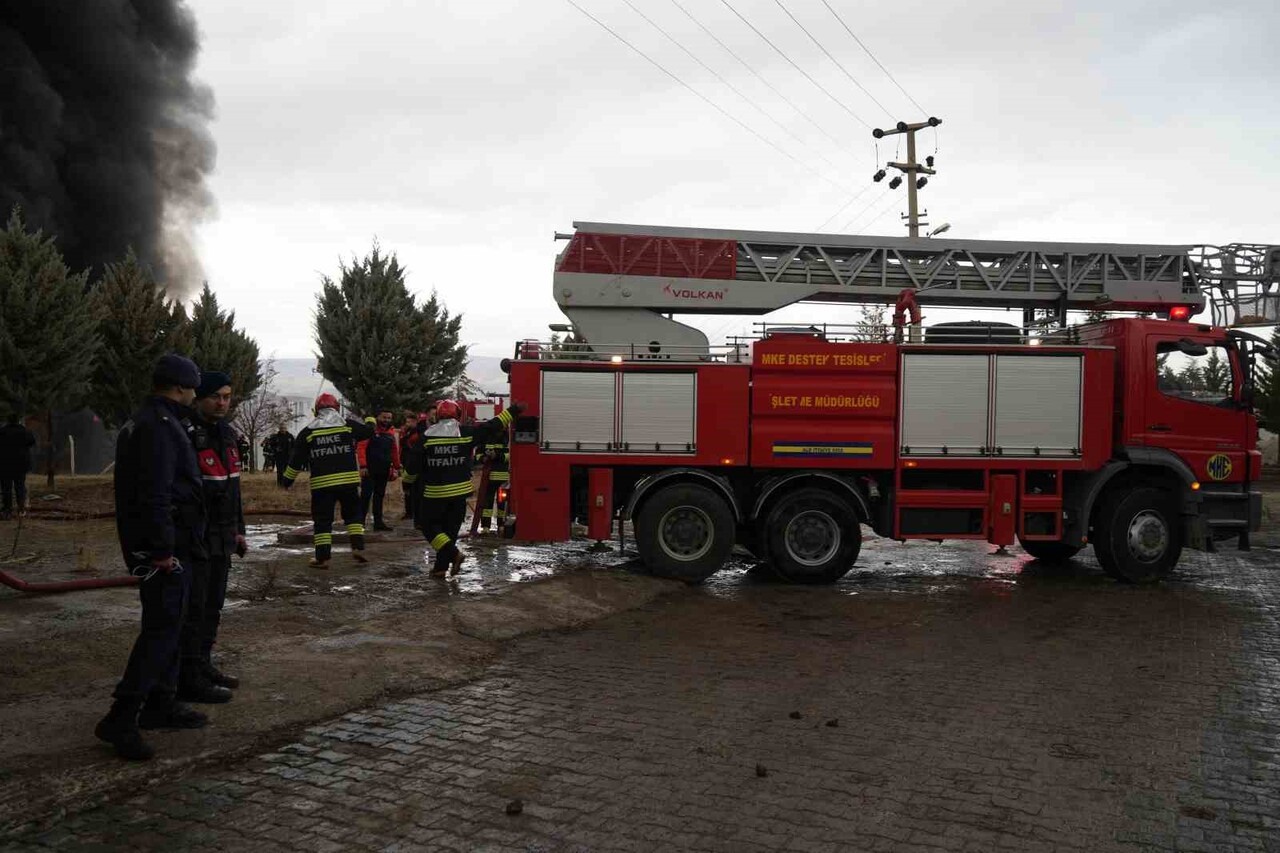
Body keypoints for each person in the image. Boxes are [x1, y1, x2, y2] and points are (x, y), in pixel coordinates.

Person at [95, 354, 208, 761]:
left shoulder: (151, 420)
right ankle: (121, 716)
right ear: (180, 388)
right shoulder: (158, 427)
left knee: (170, 626)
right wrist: (161, 549)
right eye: (193, 388)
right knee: (161, 630)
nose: (195, 395)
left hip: (173, 543)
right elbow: (155, 493)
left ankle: (161, 703)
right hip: (163, 549)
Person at [179, 372, 247, 705]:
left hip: (222, 536)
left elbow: (233, 490)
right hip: (197, 538)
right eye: (215, 397)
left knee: (213, 607)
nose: (222, 403)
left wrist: (239, 530)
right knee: (195, 608)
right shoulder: (185, 433)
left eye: (227, 396)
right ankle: (188, 676)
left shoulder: (227, 434)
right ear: (199, 398)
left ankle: (202, 665)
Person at [418, 400, 521, 577]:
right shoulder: (466, 433)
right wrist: (513, 410)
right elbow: (490, 426)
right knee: (450, 531)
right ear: (458, 415)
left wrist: (407, 483)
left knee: (428, 526)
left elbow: (413, 466)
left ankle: (454, 554)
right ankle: (441, 568)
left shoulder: (426, 437)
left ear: (438, 416)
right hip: (460, 494)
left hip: (435, 494)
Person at [282, 394, 374, 568]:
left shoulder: (308, 432)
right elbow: (368, 431)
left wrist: (287, 480)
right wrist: (370, 418)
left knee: (323, 521)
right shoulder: (348, 426)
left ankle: (322, 558)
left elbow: (296, 459)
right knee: (353, 516)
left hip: (322, 485)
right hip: (348, 482)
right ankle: (358, 548)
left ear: (317, 411)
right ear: (336, 408)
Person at [357, 409, 400, 531]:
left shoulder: (391, 433)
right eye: (384, 417)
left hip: (384, 469)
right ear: (378, 417)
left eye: (389, 418)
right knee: (365, 495)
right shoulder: (370, 431)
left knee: (379, 496)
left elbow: (394, 451)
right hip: (369, 469)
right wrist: (363, 466)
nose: (386, 420)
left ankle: (378, 522)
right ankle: (360, 522)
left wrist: (397, 466)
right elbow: (361, 448)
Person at [0, 413, 36, 519]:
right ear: (18, 420)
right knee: (20, 486)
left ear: (8, 420)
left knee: (6, 488)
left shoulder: (2, 431)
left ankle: (7, 510)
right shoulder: (25, 431)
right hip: (21, 464)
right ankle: (21, 509)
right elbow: (32, 442)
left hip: (5, 463)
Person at [477, 427, 510, 535]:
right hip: (489, 478)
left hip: (503, 478)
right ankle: (486, 526)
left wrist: (497, 456)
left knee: (502, 503)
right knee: (487, 503)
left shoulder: (508, 438)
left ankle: (501, 525)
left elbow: (511, 455)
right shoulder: (486, 438)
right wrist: (483, 458)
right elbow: (478, 454)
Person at [398, 411, 418, 520]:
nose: (408, 424)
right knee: (406, 489)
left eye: (410, 422)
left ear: (415, 422)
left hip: (413, 465)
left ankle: (413, 512)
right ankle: (409, 512)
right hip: (406, 463)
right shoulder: (407, 432)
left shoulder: (416, 433)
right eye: (407, 422)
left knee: (413, 489)